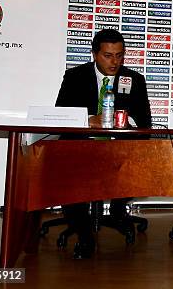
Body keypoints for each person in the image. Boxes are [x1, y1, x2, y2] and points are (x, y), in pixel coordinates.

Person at [55, 29, 151, 259]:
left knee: (143, 163)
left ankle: (118, 212)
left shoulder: (134, 80)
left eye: (119, 55)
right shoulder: (75, 76)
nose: (114, 61)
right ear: (95, 54)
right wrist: (89, 120)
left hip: (118, 149)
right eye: (108, 55)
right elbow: (61, 115)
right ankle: (85, 235)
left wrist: (124, 121)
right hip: (82, 146)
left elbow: (145, 123)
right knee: (70, 174)